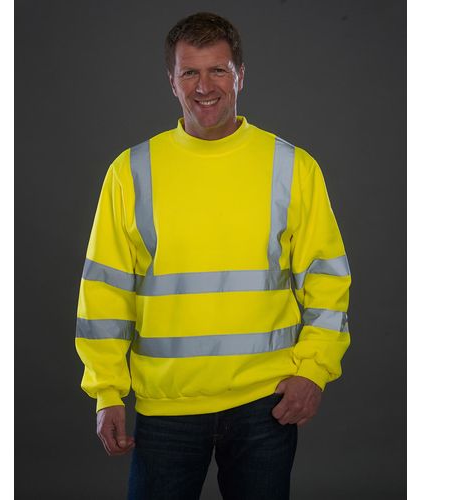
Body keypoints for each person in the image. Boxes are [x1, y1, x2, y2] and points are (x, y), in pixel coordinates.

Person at [75, 11, 351, 500]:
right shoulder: (131, 172)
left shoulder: (292, 167)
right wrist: (106, 392)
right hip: (166, 409)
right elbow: (104, 293)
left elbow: (327, 281)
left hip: (265, 405)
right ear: (172, 81)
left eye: (218, 70)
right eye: (190, 72)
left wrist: (313, 372)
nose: (204, 86)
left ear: (240, 75)